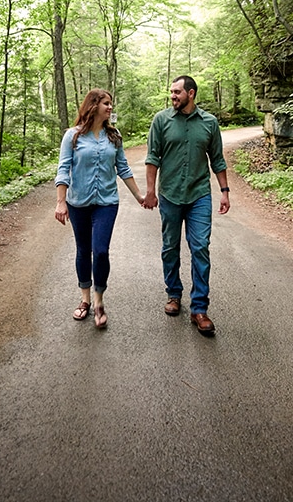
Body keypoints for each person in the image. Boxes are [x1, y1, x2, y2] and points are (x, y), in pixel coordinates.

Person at [141, 75, 229, 336]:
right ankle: (174, 294)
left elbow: (217, 160)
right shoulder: (161, 120)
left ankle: (199, 309)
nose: (173, 96)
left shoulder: (209, 123)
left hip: (199, 195)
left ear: (191, 94)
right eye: (171, 92)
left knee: (200, 247)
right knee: (170, 247)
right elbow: (152, 157)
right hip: (169, 194)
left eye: (177, 92)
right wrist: (150, 192)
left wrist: (224, 192)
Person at [55, 88, 144, 329]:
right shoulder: (72, 137)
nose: (110, 107)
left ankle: (99, 301)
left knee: (101, 250)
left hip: (106, 202)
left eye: (111, 103)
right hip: (78, 203)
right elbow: (63, 169)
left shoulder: (114, 137)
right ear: (93, 105)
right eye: (106, 103)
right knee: (84, 250)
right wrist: (61, 201)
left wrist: (139, 196)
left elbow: (123, 168)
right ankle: (84, 299)